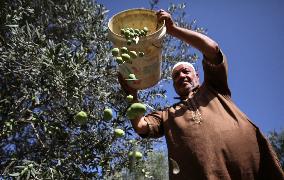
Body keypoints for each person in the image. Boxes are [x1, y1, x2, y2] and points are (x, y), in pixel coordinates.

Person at [119, 9, 284, 180]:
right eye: (176, 76)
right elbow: (141, 126)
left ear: (197, 76)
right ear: (174, 85)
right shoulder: (166, 115)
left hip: (251, 171)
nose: (181, 76)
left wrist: (173, 29)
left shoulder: (214, 88)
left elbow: (212, 49)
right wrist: (131, 93)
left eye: (185, 71)